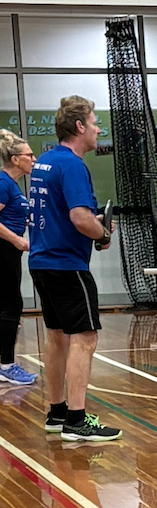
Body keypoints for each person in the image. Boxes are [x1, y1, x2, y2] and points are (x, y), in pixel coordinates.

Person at [28, 96, 118, 441]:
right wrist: (103, 232)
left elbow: (58, 212)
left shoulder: (45, 162)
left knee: (56, 337)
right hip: (67, 264)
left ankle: (57, 412)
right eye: (94, 122)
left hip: (42, 261)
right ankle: (77, 421)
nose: (98, 129)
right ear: (79, 127)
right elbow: (80, 218)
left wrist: (92, 224)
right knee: (85, 337)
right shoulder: (73, 165)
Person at [0, 132, 35, 386]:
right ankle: (6, 365)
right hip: (3, 250)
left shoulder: (13, 185)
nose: (33, 159)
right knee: (11, 306)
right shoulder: (2, 183)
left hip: (8, 251)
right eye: (29, 155)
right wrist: (17, 240)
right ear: (14, 159)